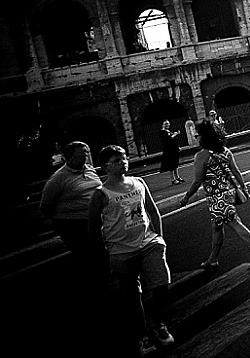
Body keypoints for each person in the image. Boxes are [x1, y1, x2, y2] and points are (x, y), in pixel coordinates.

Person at [89, 145, 174, 354]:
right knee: (132, 296)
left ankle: (156, 322)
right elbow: (92, 225)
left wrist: (159, 236)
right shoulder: (101, 194)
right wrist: (101, 254)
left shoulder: (139, 182)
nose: (123, 162)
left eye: (124, 158)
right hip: (120, 251)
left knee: (162, 282)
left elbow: (152, 210)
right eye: (117, 160)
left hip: (148, 242)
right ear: (105, 167)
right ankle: (143, 335)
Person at [180, 121, 250, 272]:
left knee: (234, 223)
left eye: (197, 135)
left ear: (204, 137)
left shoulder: (201, 156)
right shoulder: (225, 151)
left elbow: (197, 180)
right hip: (228, 193)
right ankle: (212, 260)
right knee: (217, 227)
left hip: (216, 198)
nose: (196, 138)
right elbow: (236, 171)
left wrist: (187, 197)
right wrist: (244, 188)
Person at [40, 141, 106, 275]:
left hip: (96, 218)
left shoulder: (89, 169)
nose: (85, 156)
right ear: (69, 156)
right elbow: (46, 206)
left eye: (87, 152)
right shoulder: (58, 178)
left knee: (101, 249)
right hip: (74, 223)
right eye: (81, 153)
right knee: (86, 254)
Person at [159, 120, 183, 184]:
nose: (168, 125)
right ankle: (173, 179)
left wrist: (177, 146)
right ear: (163, 125)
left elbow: (173, 141)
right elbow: (167, 140)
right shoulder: (162, 132)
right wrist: (174, 135)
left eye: (168, 123)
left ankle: (177, 177)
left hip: (173, 150)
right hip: (169, 151)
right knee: (171, 165)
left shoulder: (168, 131)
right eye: (166, 123)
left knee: (175, 164)